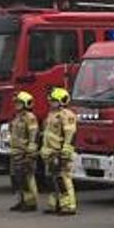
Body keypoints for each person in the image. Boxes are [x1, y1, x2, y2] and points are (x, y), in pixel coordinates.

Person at [40, 87, 79, 216]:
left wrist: (65, 152)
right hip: (50, 152)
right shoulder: (51, 115)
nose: (51, 103)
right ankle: (54, 204)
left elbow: (70, 134)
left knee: (63, 179)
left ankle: (68, 206)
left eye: (54, 101)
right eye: (51, 101)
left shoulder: (67, 115)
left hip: (60, 152)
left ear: (62, 101)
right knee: (52, 180)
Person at [6, 90, 41, 212]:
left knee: (27, 178)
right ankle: (21, 201)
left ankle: (30, 202)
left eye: (19, 103)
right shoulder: (17, 117)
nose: (16, 105)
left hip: (25, 152)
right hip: (15, 151)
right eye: (16, 103)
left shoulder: (30, 117)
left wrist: (31, 150)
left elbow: (33, 134)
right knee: (17, 178)